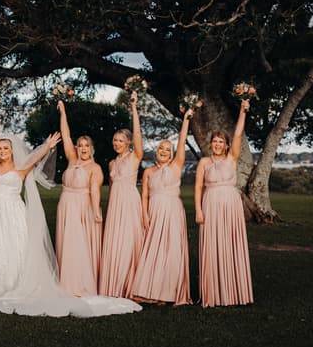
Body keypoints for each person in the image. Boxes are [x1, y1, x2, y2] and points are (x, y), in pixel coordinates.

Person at [0, 103, 141, 317]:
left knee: (15, 249)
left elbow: (37, 156)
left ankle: (14, 284)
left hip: (13, 213)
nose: (2, 151)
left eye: (6, 148)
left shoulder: (21, 169)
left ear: (12, 150)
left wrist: (48, 145)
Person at [130, 108, 193, 305]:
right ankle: (150, 290)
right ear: (156, 152)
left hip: (173, 212)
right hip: (154, 213)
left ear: (171, 153)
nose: (164, 151)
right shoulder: (148, 171)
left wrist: (185, 119)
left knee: (172, 250)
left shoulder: (177, 166)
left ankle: (169, 293)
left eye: (167, 149)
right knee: (153, 251)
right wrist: (145, 215)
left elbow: (182, 140)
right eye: (161, 148)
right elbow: (145, 196)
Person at [194, 99, 254, 307]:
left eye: (221, 142)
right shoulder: (204, 162)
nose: (218, 144)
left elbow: (238, 134)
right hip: (210, 204)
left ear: (227, 145)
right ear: (211, 144)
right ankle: (214, 292)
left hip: (230, 205)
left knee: (230, 244)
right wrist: (198, 210)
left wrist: (242, 111)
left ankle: (234, 291)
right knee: (212, 245)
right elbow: (198, 188)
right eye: (215, 141)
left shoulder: (232, 159)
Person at [54, 100, 104, 297]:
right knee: (66, 244)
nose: (83, 148)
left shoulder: (95, 168)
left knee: (78, 245)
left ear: (91, 148)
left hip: (82, 207)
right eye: (80, 145)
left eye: (86, 146)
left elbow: (95, 191)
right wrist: (63, 112)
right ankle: (65, 282)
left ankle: (79, 285)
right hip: (65, 205)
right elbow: (65, 135)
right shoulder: (71, 159)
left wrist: (96, 211)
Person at [99, 91, 144, 298]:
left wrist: (133, 108)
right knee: (114, 241)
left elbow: (137, 134)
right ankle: (113, 282)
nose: (116, 143)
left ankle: (132, 284)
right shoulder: (111, 163)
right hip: (116, 205)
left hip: (130, 203)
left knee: (129, 240)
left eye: (120, 141)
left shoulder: (135, 157)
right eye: (115, 140)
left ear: (128, 143)